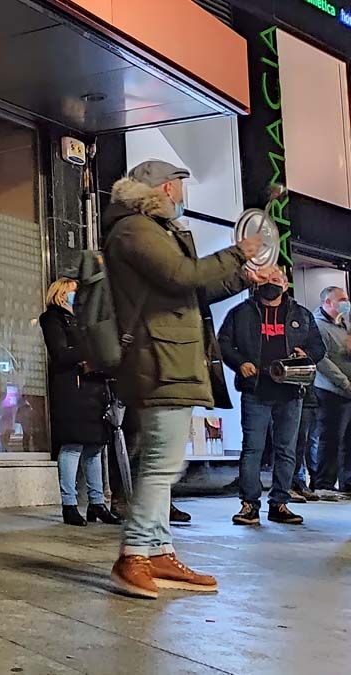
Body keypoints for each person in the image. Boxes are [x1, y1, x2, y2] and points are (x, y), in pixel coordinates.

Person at [102, 160, 265, 600]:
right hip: (157, 358)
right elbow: (181, 275)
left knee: (165, 460)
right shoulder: (134, 229)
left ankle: (158, 551)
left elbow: (193, 289)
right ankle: (133, 554)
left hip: (169, 356)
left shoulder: (155, 229)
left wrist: (242, 277)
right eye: (178, 185)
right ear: (164, 189)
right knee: (161, 462)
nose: (181, 193)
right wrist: (238, 253)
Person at [219, 266, 324, 526]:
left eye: (276, 279)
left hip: (291, 390)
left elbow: (318, 347)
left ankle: (279, 503)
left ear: (285, 285)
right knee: (252, 449)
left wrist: (306, 355)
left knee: (287, 450)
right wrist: (239, 363)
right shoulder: (241, 312)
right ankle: (249, 505)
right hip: (256, 389)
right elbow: (223, 343)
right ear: (257, 283)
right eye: (265, 278)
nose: (271, 283)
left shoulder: (301, 314)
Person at [40, 278, 121, 527]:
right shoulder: (53, 318)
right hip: (72, 390)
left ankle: (97, 503)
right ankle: (69, 504)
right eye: (74, 292)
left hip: (95, 389)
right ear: (62, 293)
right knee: (72, 446)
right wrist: (91, 350)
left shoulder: (86, 320)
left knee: (95, 447)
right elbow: (60, 354)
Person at [312, 286, 351, 493]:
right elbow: (322, 361)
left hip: (348, 391)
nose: (346, 303)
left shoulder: (345, 323)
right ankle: (324, 483)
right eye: (342, 300)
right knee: (331, 440)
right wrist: (345, 383)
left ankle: (348, 482)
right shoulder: (318, 326)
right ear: (328, 302)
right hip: (331, 391)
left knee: (348, 440)